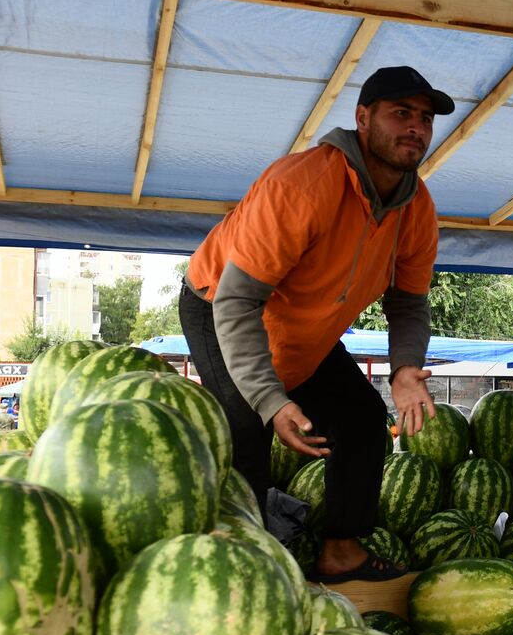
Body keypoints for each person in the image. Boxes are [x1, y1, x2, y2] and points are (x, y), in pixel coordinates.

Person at [180, 66, 452, 583]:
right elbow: (238, 302)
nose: (416, 127)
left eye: (424, 118)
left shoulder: (416, 208)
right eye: (401, 113)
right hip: (219, 304)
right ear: (363, 118)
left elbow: (409, 302)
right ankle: (245, 574)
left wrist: (405, 368)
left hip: (303, 326)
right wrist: (271, 400)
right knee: (246, 429)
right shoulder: (302, 185)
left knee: (362, 418)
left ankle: (341, 551)